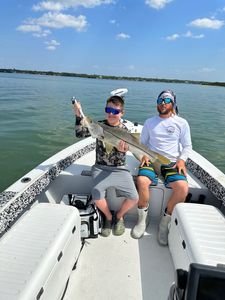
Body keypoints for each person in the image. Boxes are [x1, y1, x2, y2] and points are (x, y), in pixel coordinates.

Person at [131, 90, 192, 245]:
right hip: (151, 159)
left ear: (173, 103)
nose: (163, 103)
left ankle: (164, 223)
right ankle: (141, 221)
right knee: (142, 181)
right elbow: (142, 144)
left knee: (183, 188)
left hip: (171, 162)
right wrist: (143, 155)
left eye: (166, 100)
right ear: (157, 103)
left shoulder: (181, 123)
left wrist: (182, 161)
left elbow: (187, 146)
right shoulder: (150, 122)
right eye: (160, 100)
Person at [73, 95, 138, 237]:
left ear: (122, 113)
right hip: (100, 167)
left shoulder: (125, 130)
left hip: (120, 168)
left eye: (115, 111)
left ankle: (119, 216)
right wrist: (78, 116)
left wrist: (124, 150)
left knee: (134, 197)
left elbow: (128, 149)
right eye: (108, 110)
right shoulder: (98, 126)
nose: (111, 114)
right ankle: (108, 217)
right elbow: (79, 134)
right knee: (96, 195)